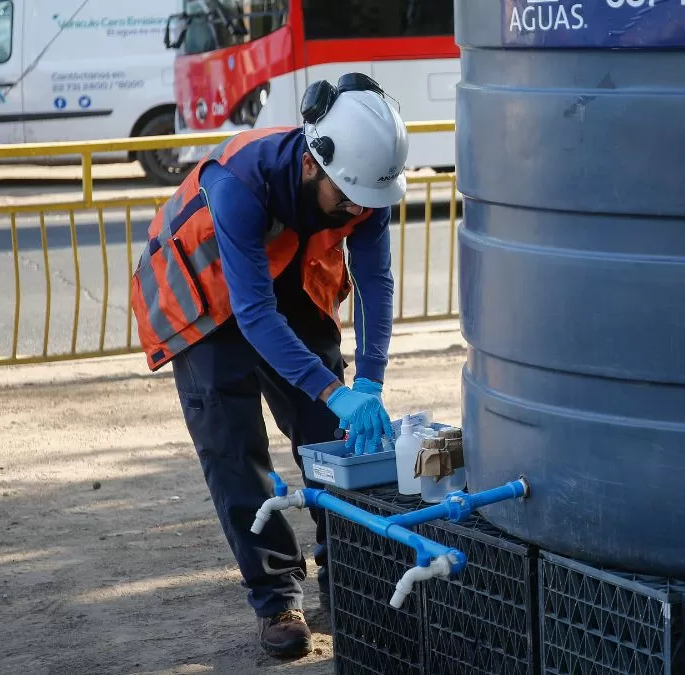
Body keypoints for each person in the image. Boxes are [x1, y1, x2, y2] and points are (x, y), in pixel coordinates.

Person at [128, 73, 404, 658]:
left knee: (335, 440)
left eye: (367, 203)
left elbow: (377, 281)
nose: (358, 211)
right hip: (206, 306)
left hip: (284, 290)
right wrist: (332, 389)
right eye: (347, 200)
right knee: (235, 452)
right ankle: (277, 596)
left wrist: (369, 379)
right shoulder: (241, 182)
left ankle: (350, 580)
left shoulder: (361, 181)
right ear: (312, 164)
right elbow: (252, 314)